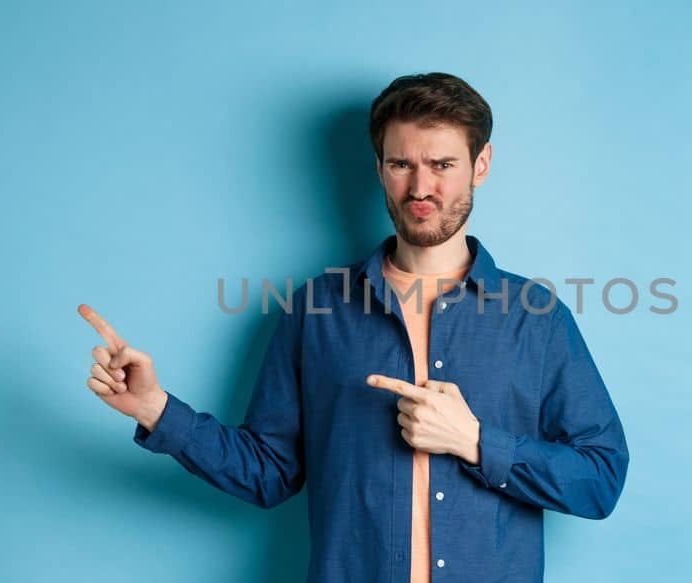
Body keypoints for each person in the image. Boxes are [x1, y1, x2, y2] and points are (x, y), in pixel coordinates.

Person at [77, 72, 628, 582]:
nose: (420, 188)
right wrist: (154, 409)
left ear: (480, 165)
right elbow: (269, 472)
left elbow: (601, 478)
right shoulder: (315, 310)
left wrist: (476, 441)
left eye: (442, 165)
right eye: (400, 164)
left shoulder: (536, 318)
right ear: (378, 168)